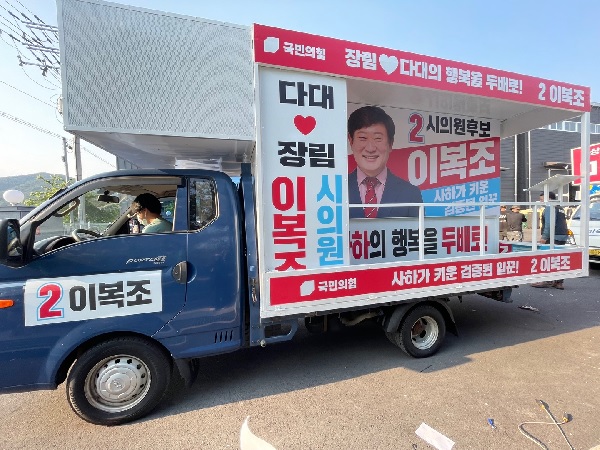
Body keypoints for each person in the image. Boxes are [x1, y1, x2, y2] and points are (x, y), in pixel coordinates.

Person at [347, 105, 423, 218]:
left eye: (378, 138)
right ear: (351, 141)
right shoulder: (337, 189)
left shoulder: (410, 193)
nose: (370, 148)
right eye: (363, 138)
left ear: (390, 144)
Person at [531, 191, 569, 290]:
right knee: (559, 259)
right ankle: (558, 282)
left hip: (553, 237)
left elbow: (549, 224)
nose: (541, 202)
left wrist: (544, 237)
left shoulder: (549, 207)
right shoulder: (560, 208)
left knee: (548, 258)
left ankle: (546, 280)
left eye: (542, 199)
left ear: (549, 199)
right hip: (562, 236)